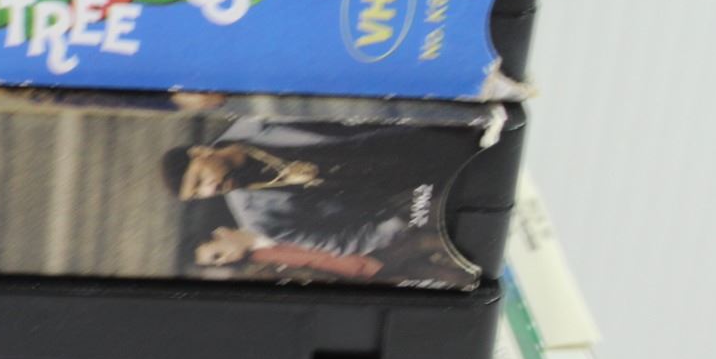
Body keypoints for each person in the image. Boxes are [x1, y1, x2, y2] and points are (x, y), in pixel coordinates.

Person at [162, 120, 479, 281]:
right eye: (198, 194)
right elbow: (336, 243)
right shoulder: (258, 218)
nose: (209, 190)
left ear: (200, 152)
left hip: (416, 140)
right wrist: (396, 221)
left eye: (199, 180)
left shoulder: (260, 118)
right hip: (409, 200)